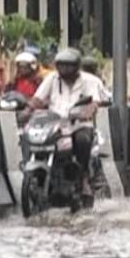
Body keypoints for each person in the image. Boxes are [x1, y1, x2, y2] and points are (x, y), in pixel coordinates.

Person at [25, 48, 111, 197]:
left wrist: (87, 112)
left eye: (68, 66)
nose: (64, 69)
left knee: (82, 139)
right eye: (61, 66)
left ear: (77, 66)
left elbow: (94, 103)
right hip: (55, 123)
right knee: (32, 137)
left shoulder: (89, 81)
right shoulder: (52, 79)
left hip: (79, 124)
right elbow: (38, 99)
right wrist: (27, 110)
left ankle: (83, 178)